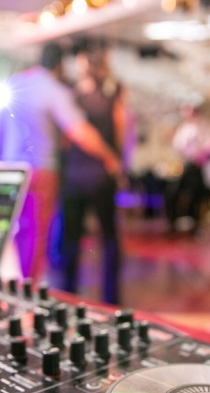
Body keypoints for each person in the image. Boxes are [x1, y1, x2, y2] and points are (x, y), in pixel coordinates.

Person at [0, 42, 120, 283]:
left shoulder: (12, 85)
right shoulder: (52, 89)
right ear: (59, 65)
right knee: (36, 239)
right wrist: (110, 157)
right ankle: (29, 291)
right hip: (40, 173)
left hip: (8, 172)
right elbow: (79, 131)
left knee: (13, 235)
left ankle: (15, 285)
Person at [59, 44, 126, 304]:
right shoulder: (113, 99)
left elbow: (66, 140)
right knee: (109, 237)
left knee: (72, 240)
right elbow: (122, 136)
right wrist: (116, 162)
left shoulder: (70, 99)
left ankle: (67, 294)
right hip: (101, 175)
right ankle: (111, 298)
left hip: (76, 174)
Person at [166, 102, 210, 234]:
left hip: (198, 165)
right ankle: (174, 222)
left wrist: (202, 154)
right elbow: (178, 146)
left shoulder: (204, 126)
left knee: (197, 196)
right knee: (174, 192)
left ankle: (195, 224)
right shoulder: (184, 128)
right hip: (186, 164)